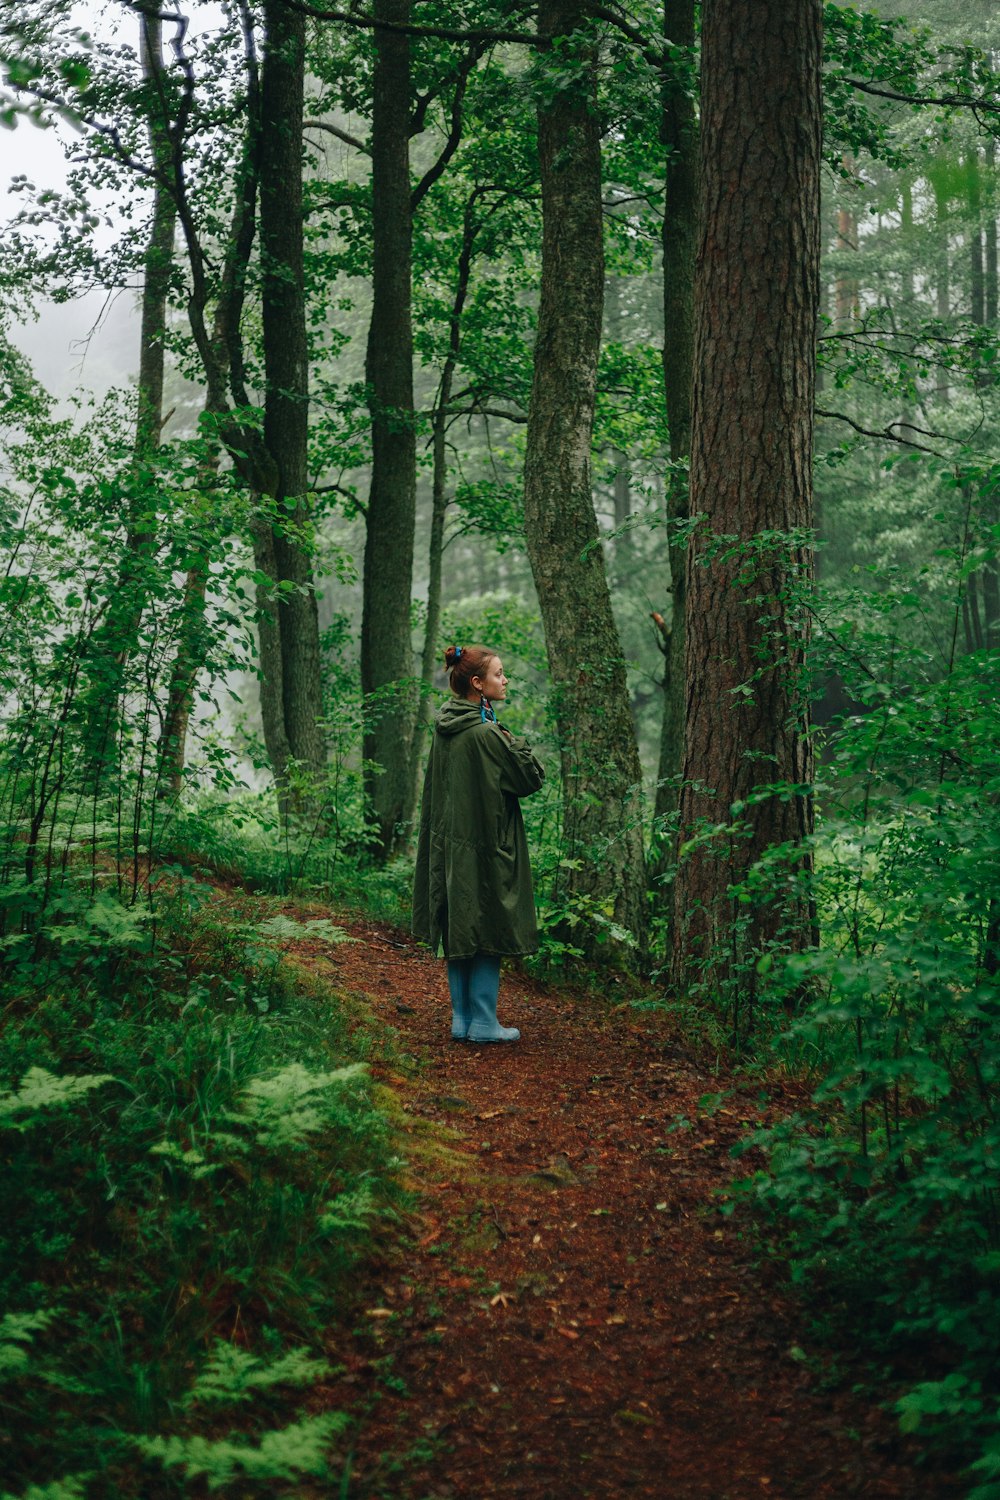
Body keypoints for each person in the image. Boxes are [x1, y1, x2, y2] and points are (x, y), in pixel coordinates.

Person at [412, 644, 544, 1043]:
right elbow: (529, 779)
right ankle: (485, 1023)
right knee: (487, 922)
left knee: (459, 925)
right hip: (487, 844)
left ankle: (462, 1019)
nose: (505, 680)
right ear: (477, 684)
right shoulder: (487, 733)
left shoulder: (445, 728)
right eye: (499, 674)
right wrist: (511, 737)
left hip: (450, 846)